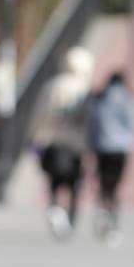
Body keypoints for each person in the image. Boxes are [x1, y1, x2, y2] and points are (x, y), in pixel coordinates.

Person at [32, 46, 93, 238]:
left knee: (54, 181)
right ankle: (70, 218)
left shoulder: (52, 86)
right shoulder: (86, 89)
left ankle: (55, 210)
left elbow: (39, 115)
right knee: (75, 184)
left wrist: (35, 138)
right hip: (76, 145)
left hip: (53, 142)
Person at [87, 71, 134, 247]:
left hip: (103, 147)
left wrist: (92, 145)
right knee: (115, 187)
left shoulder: (100, 99)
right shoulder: (129, 99)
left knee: (103, 184)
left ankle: (103, 214)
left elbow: (93, 125)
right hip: (121, 148)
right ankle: (113, 224)